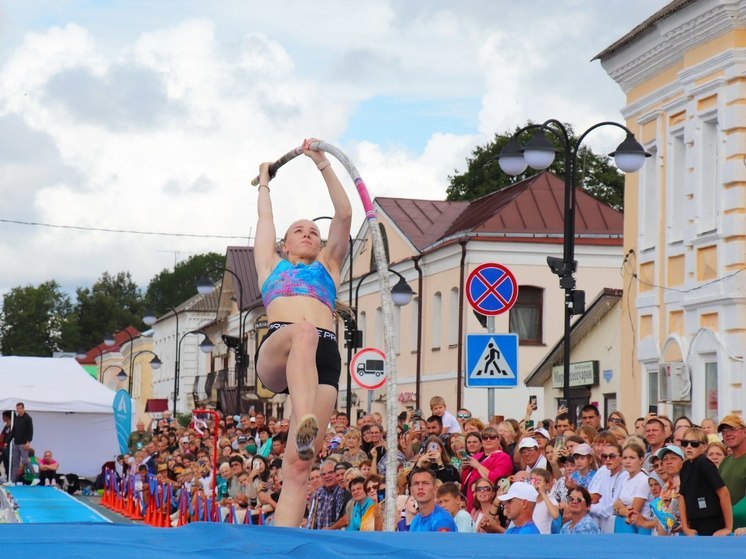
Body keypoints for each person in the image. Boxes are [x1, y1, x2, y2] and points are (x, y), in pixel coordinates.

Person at [254, 138, 352, 527]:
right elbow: (265, 221)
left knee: (298, 468)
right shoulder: (269, 265)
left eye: (314, 230)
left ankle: (282, 544)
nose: (308, 234)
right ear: (284, 243)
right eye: (299, 230)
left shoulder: (329, 265)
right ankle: (305, 415)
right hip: (281, 348)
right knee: (305, 331)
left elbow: (344, 215)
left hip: (324, 359)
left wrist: (322, 163)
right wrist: (265, 183)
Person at [678, 426, 732, 536]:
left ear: (704, 447)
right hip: (693, 522)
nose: (689, 447)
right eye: (685, 443)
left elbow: (723, 492)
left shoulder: (705, 463)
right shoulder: (685, 466)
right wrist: (685, 527)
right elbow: (682, 496)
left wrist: (728, 527)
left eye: (694, 444)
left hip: (712, 522)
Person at [461, 427, 513, 510]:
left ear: (498, 440)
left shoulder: (504, 458)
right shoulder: (477, 456)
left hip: (488, 504)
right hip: (470, 501)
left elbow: (496, 481)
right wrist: (463, 469)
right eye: (485, 438)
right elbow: (464, 481)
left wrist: (478, 466)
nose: (488, 440)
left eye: (492, 437)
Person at [613, 441, 651, 534]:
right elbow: (615, 502)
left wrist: (620, 509)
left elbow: (633, 512)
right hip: (625, 524)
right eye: (625, 458)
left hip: (640, 528)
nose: (627, 461)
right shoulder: (624, 477)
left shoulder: (644, 480)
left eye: (632, 458)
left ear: (641, 460)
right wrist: (622, 509)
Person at [409, 467, 457, 532]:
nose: (420, 487)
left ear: (435, 489)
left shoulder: (442, 520)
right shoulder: (415, 521)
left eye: (425, 483)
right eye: (416, 483)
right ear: (411, 491)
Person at [306, 460, 351, 530]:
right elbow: (311, 521)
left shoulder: (344, 490)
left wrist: (331, 529)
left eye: (330, 472)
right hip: (318, 536)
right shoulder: (317, 494)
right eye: (323, 474)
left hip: (336, 536)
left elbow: (346, 519)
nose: (327, 476)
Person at [9, 402, 33, 484]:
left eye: (20, 408)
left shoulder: (28, 418)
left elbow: (31, 431)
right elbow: (13, 431)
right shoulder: (17, 418)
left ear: (23, 408)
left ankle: (35, 476)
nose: (18, 410)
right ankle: (12, 481)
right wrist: (7, 441)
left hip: (23, 444)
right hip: (16, 443)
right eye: (17, 408)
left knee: (25, 460)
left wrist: (28, 442)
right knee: (15, 462)